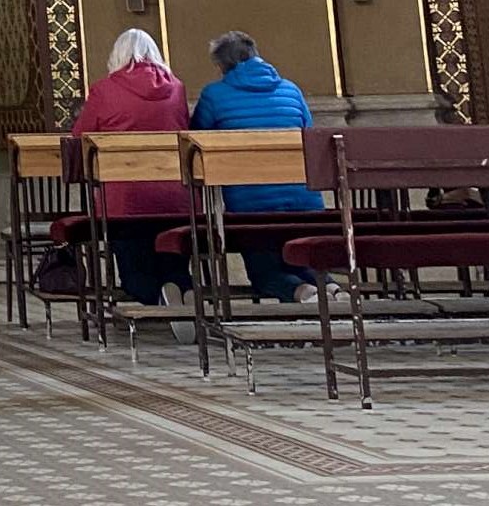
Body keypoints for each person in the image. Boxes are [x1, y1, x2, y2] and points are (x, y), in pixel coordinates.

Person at [189, 30, 322, 305]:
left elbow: (196, 143)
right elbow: (311, 136)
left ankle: (303, 293)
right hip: (304, 201)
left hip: (251, 206)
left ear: (222, 66)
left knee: (265, 274)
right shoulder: (291, 90)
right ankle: (330, 288)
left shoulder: (214, 95)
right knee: (302, 260)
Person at [68, 28, 192, 307]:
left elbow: (79, 139)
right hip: (175, 196)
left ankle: (156, 298)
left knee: (135, 269)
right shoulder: (177, 88)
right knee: (173, 257)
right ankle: (180, 290)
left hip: (125, 200)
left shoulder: (104, 90)